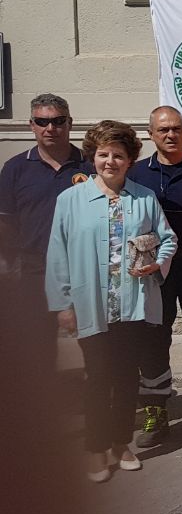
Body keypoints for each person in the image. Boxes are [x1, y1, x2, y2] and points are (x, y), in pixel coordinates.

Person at [47, 121, 177, 481]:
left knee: (124, 377)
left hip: (132, 306)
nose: (110, 161)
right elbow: (57, 254)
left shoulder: (144, 198)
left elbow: (168, 239)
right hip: (91, 307)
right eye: (103, 154)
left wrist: (155, 263)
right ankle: (95, 448)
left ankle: (121, 443)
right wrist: (62, 304)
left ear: (130, 160)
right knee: (97, 378)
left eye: (118, 155)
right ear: (93, 157)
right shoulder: (70, 201)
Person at [128, 106, 182, 444]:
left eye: (176, 128)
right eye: (163, 129)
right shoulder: (136, 175)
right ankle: (155, 409)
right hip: (152, 272)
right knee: (152, 338)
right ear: (151, 134)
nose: (170, 135)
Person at [0, 93, 88, 374]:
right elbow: (6, 223)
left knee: (92, 347)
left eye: (58, 121)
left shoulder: (89, 165)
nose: (51, 128)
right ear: (32, 125)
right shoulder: (15, 168)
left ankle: (95, 410)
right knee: (36, 349)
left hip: (82, 272)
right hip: (33, 272)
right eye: (42, 121)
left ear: (70, 123)